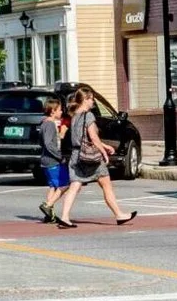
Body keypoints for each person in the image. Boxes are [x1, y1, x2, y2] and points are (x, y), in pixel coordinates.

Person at [61, 87, 136, 225]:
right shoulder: (88, 115)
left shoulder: (75, 116)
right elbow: (93, 138)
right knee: (106, 185)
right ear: (85, 100)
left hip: (77, 156)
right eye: (91, 99)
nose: (93, 102)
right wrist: (103, 151)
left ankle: (65, 217)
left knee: (75, 186)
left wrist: (105, 146)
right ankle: (119, 214)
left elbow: (83, 138)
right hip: (90, 157)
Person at [34, 95, 73, 227]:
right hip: (53, 161)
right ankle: (48, 205)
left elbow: (41, 142)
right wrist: (59, 156)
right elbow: (48, 143)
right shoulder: (50, 124)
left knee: (53, 186)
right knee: (65, 184)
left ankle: (49, 214)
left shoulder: (44, 124)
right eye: (59, 110)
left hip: (45, 160)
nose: (62, 112)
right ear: (52, 111)